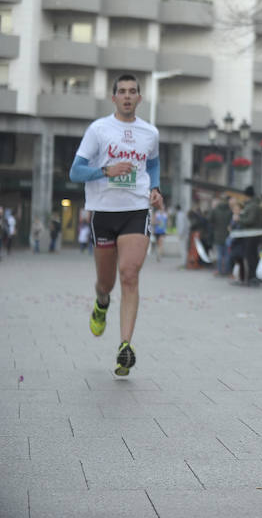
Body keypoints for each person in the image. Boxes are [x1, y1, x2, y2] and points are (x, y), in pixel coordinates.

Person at [68, 73, 164, 376]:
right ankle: (101, 302)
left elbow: (153, 163)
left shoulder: (150, 133)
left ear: (139, 98)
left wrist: (156, 187)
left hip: (136, 209)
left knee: (130, 273)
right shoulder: (98, 130)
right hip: (103, 213)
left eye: (132, 91)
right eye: (121, 91)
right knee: (106, 282)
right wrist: (106, 171)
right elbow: (75, 172)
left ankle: (125, 347)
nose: (126, 96)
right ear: (113, 98)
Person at [209, 194, 232, 275]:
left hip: (218, 235)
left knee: (219, 255)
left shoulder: (215, 210)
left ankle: (219, 270)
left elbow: (210, 219)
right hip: (228, 234)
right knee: (227, 254)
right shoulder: (230, 210)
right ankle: (227, 270)